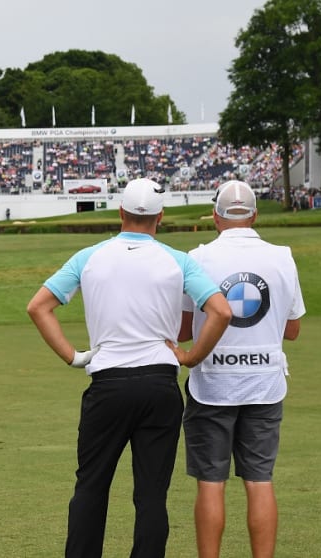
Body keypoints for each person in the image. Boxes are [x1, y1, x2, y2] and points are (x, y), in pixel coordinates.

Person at [27, 177, 232, 558]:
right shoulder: (178, 260)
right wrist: (190, 356)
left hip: (108, 385)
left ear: (120, 213)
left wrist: (73, 357)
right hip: (159, 384)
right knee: (152, 495)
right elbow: (221, 310)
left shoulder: (89, 256)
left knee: (91, 486)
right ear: (160, 218)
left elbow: (38, 307)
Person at [173, 180, 306, 558]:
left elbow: (184, 330)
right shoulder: (282, 255)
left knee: (211, 484)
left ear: (215, 217)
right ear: (254, 216)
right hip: (265, 383)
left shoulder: (196, 257)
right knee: (259, 480)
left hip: (211, 384)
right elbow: (292, 329)